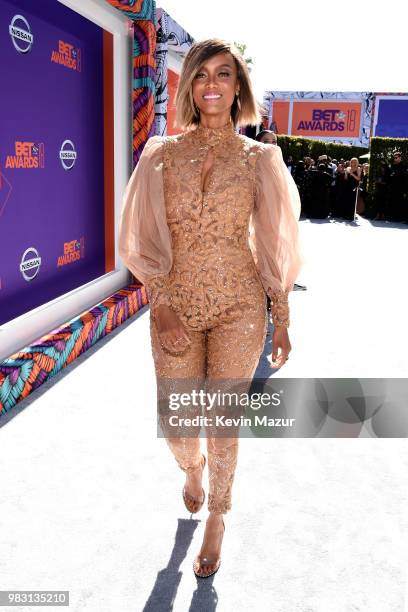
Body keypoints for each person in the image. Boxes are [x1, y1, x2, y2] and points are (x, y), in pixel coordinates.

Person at [118, 38, 303, 578]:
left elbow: (274, 243)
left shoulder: (262, 158)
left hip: (240, 306)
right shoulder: (160, 153)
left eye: (225, 74)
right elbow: (142, 237)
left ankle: (218, 518)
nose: (213, 84)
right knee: (179, 424)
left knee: (223, 422)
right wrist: (162, 299)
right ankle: (191, 468)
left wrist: (282, 319)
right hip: (175, 302)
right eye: (202, 75)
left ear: (238, 87)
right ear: (190, 87)